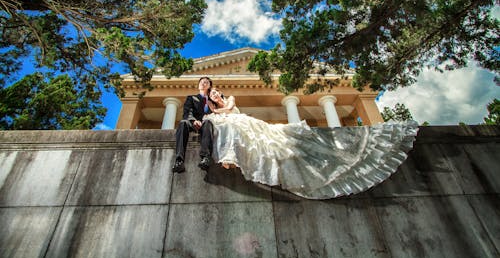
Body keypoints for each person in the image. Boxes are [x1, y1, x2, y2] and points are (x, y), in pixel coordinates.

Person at [204, 87, 419, 199]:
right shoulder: (215, 109)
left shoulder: (229, 99)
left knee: (277, 138)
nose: (214, 94)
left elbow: (229, 110)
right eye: (212, 94)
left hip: (246, 122)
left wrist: (216, 110)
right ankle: (231, 158)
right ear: (211, 98)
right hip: (238, 128)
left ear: (218, 93)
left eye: (215, 92)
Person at [172, 77, 214, 173]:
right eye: (201, 82)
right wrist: (193, 120)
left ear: (209, 86)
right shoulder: (191, 98)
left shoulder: (213, 100)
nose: (203, 83)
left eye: (206, 82)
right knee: (183, 123)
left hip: (206, 124)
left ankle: (206, 158)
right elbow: (187, 112)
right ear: (199, 85)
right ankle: (179, 160)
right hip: (193, 123)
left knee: (208, 122)